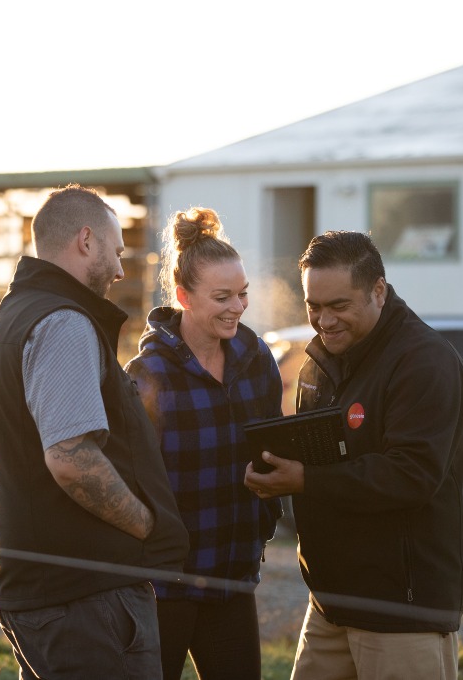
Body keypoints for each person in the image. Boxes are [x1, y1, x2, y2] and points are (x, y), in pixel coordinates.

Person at [0, 184, 189, 679]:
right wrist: (147, 525)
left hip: (50, 591)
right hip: (84, 597)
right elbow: (70, 458)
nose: (118, 268)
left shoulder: (11, 317)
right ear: (86, 240)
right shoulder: (63, 322)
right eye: (116, 251)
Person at [244, 230, 463, 680]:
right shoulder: (320, 361)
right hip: (331, 604)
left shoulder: (424, 362)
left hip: (403, 611)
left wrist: (305, 480)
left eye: (339, 306)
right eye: (314, 307)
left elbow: (411, 475)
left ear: (379, 291)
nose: (324, 321)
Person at [124, 208, 284, 680]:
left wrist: (264, 519)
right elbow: (132, 481)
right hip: (163, 585)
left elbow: (271, 447)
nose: (236, 307)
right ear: (183, 297)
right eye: (222, 297)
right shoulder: (148, 375)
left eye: (242, 294)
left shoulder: (257, 362)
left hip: (232, 577)